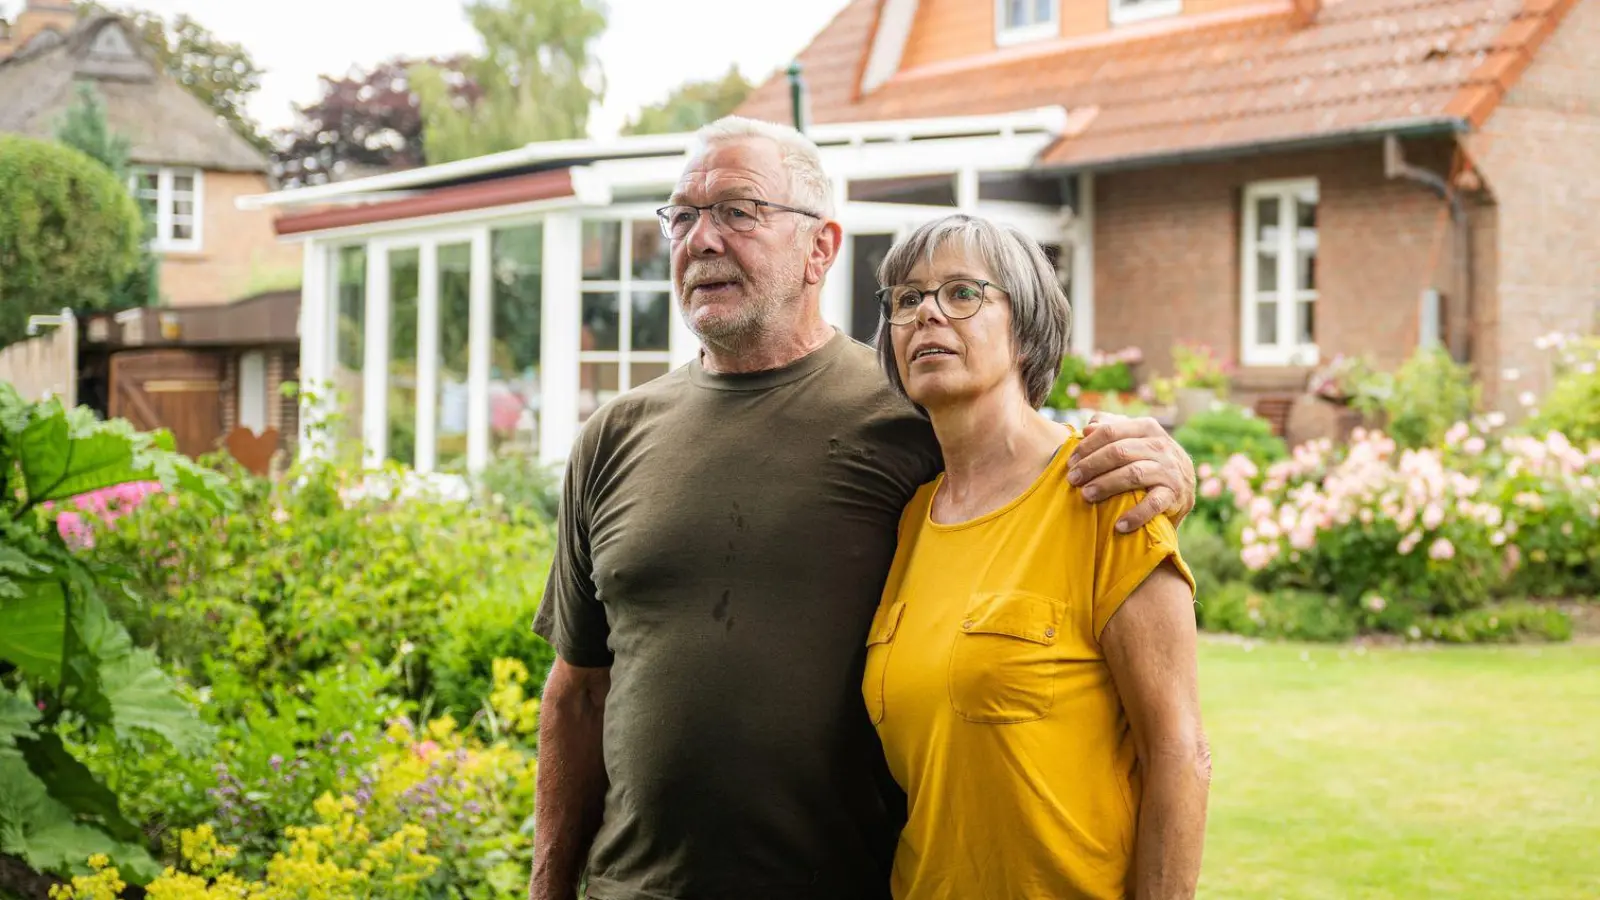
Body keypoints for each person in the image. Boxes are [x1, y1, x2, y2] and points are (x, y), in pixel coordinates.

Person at [529, 117, 1198, 900]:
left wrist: (1168, 465)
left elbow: (1024, 455)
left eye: (739, 210)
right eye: (683, 215)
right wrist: (549, 887)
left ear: (820, 248)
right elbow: (577, 691)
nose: (702, 238)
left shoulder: (911, 417)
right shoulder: (612, 436)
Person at [865, 214, 1209, 900]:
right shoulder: (910, 521)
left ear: (1024, 329)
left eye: (962, 293)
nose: (927, 313)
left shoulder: (1107, 494)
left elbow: (1179, 751)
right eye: (907, 299)